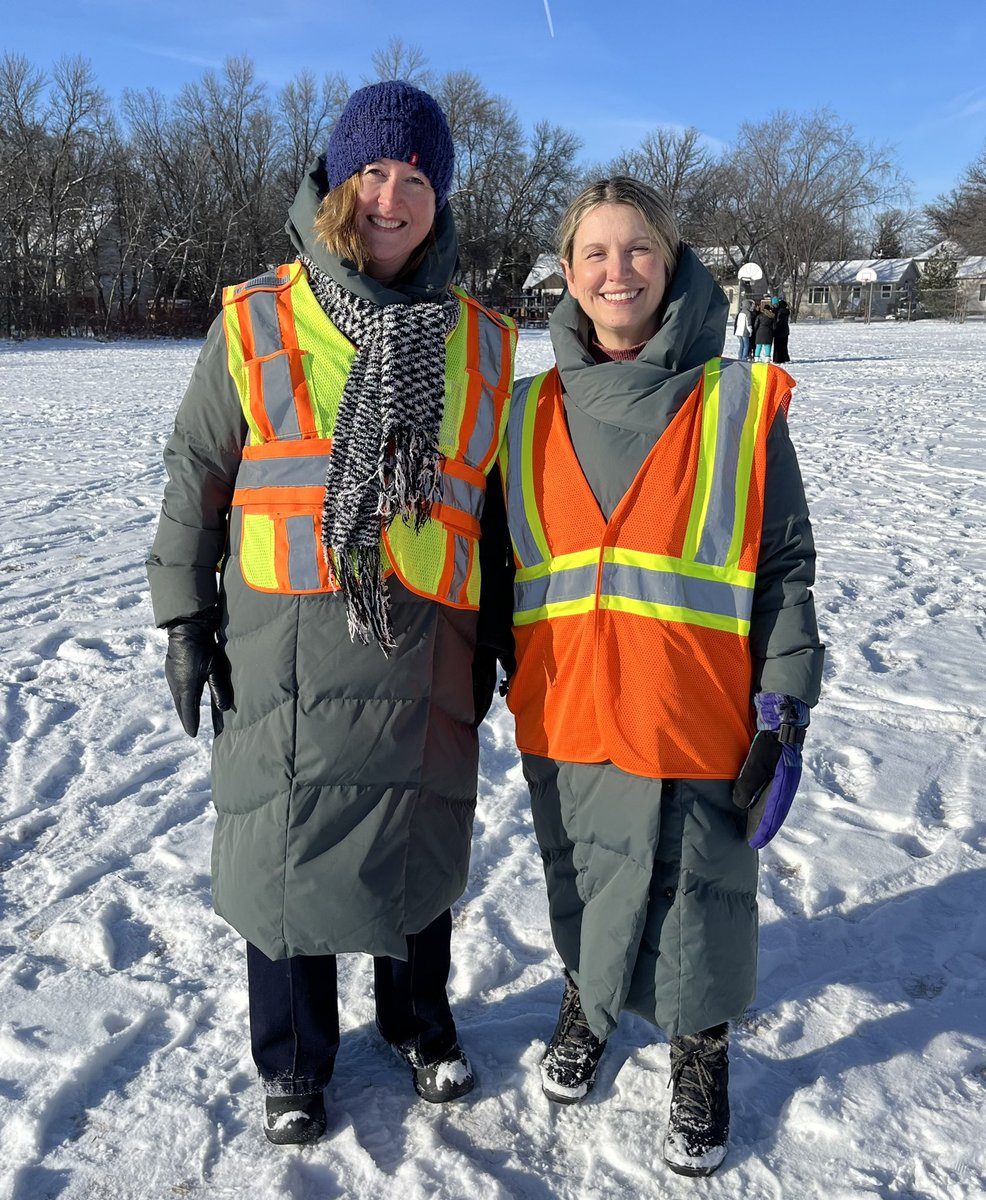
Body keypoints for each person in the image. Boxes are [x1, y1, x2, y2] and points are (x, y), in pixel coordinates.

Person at [146, 81, 517, 1146]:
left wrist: (498, 628)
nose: (392, 197)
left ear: (438, 198)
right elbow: (197, 473)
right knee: (284, 848)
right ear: (337, 182)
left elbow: (489, 500)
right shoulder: (260, 317)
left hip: (426, 637)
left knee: (416, 843)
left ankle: (418, 1023)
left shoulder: (482, 341)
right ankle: (295, 1058)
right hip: (289, 640)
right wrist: (182, 617)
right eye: (374, 172)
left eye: (415, 178)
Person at [497, 178, 823, 1176]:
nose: (615, 270)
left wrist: (783, 700)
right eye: (593, 252)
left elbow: (782, 564)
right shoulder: (522, 413)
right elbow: (488, 566)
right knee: (585, 877)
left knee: (697, 895)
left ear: (670, 259)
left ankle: (698, 1050)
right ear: (566, 271)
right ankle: (587, 1004)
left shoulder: (734, 403)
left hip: (696, 709)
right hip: (570, 704)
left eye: (635, 248)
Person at [772, 297, 792, 363]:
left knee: (777, 346)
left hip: (778, 331)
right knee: (784, 345)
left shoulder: (779, 312)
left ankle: (777, 359)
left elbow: (778, 321)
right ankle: (785, 357)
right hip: (785, 331)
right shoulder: (786, 311)